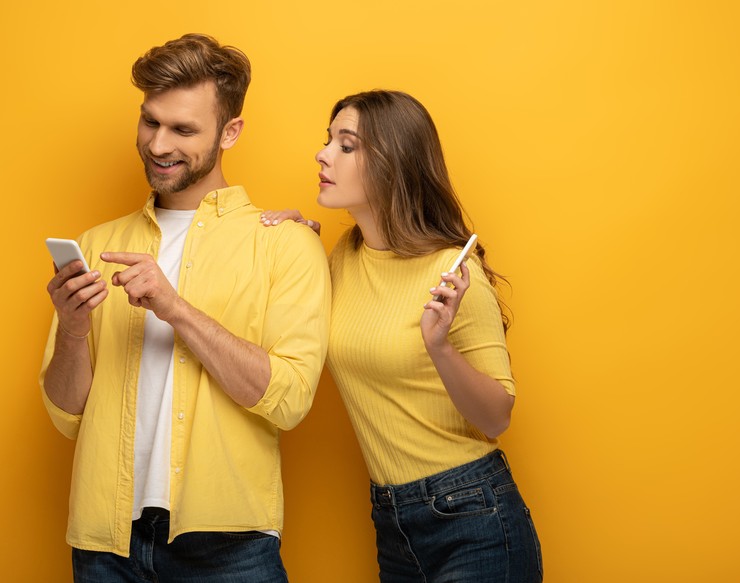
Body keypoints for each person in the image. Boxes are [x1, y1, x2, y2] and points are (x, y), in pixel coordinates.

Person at [40, 33, 331, 582]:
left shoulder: (284, 244)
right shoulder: (98, 242)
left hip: (229, 548)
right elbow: (68, 415)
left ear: (231, 132)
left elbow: (289, 400)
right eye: (150, 121)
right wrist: (74, 331)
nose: (157, 144)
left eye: (183, 129)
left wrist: (175, 308)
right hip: (106, 546)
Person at [260, 90, 542, 582]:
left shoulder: (451, 272)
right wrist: (293, 245)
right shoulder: (343, 257)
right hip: (392, 520)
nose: (322, 155)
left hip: (473, 512)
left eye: (346, 146)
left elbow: (497, 417)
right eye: (328, 141)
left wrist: (440, 346)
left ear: (394, 163)